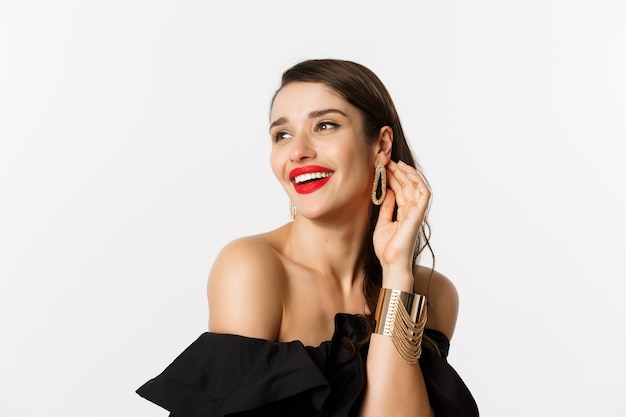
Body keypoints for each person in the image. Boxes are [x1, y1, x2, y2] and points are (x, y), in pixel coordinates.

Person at [136, 59, 479, 417]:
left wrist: (396, 274)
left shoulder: (432, 293)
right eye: (281, 135)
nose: (297, 150)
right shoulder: (252, 269)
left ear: (381, 145)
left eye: (325, 125)